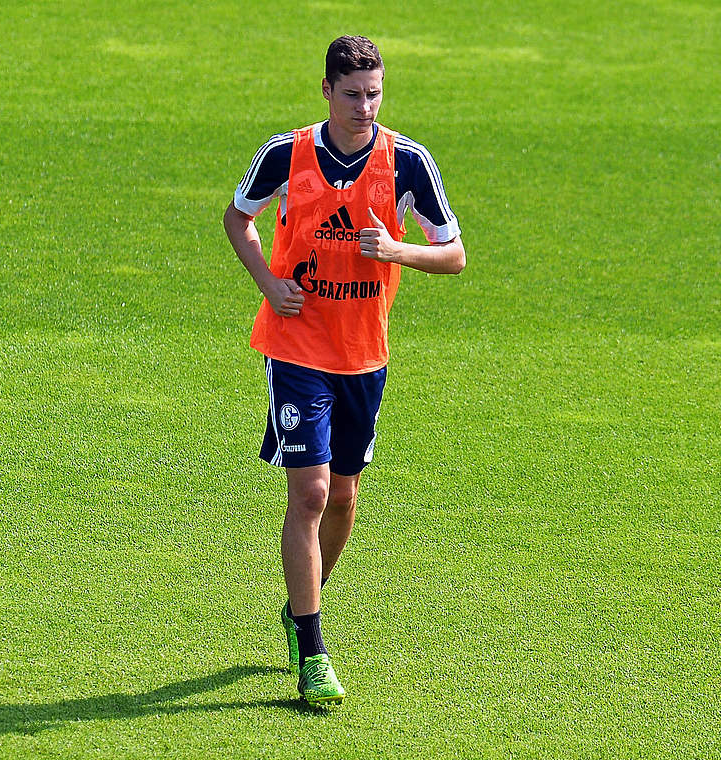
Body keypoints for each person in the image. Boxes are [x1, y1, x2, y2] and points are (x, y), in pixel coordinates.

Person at [222, 35, 465, 706]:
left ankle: (302, 603)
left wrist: (396, 249)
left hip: (364, 357)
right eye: (354, 94)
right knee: (312, 495)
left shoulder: (409, 163)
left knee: (347, 498)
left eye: (375, 94)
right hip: (296, 348)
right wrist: (269, 284)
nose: (366, 107)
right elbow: (237, 218)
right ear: (326, 91)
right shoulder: (285, 153)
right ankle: (313, 646)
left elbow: (454, 255)